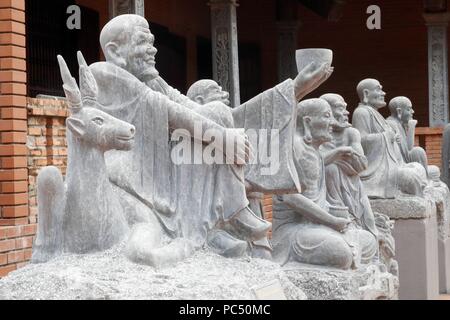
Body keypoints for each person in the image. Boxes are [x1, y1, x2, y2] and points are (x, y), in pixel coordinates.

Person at [272, 98, 377, 269]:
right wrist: (332, 221)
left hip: (317, 227)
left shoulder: (313, 150)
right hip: (295, 230)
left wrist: (337, 153)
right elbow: (291, 198)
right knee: (341, 254)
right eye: (327, 116)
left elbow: (317, 164)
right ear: (307, 122)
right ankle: (298, 268)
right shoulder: (296, 148)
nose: (332, 123)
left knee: (370, 241)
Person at [352, 79, 426, 199]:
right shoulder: (361, 112)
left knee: (418, 168)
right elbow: (361, 141)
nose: (383, 93)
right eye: (378, 89)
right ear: (366, 94)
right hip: (378, 170)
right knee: (411, 177)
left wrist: (392, 139)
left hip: (394, 164)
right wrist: (386, 136)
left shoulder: (376, 114)